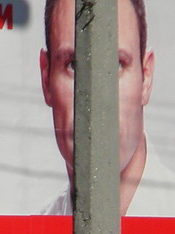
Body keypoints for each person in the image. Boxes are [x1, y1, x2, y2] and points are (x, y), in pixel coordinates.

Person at [40, 0, 175, 216]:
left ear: (146, 78)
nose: (95, 97)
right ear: (46, 78)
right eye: (73, 64)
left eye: (116, 64)